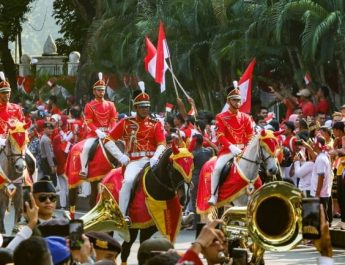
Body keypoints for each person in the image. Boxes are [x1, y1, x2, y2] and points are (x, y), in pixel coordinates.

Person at [103, 82, 166, 221]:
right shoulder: (126, 123)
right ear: (136, 107)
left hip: (153, 161)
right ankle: (122, 214)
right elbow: (107, 140)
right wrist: (121, 157)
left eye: (147, 107)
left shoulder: (156, 124)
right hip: (135, 162)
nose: (145, 109)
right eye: (142, 107)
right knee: (128, 181)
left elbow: (162, 144)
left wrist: (156, 157)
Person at [208, 85, 254, 205]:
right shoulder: (221, 117)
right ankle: (214, 195)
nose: (237, 102)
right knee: (217, 169)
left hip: (244, 151)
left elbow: (251, 136)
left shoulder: (246, 118)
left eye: (239, 99)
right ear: (228, 101)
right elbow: (220, 136)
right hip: (228, 151)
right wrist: (231, 147)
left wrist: (247, 148)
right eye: (234, 99)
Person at [79, 73, 117, 177]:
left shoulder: (111, 105)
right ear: (94, 91)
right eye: (99, 90)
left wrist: (111, 130)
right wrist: (97, 131)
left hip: (108, 132)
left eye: (103, 90)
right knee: (86, 148)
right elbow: (89, 122)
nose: (101, 92)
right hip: (94, 134)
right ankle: (84, 169)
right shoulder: (89, 106)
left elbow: (113, 119)